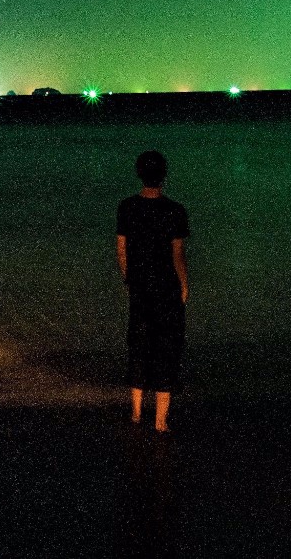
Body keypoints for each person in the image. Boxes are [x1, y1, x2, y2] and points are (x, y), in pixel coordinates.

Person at [116, 149, 189, 431]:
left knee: (139, 344)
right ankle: (160, 421)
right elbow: (177, 255)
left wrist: (129, 280)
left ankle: (136, 413)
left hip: (140, 288)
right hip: (166, 288)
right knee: (166, 349)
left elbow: (122, 251)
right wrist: (183, 285)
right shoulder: (174, 210)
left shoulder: (127, 207)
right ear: (164, 175)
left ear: (139, 174)